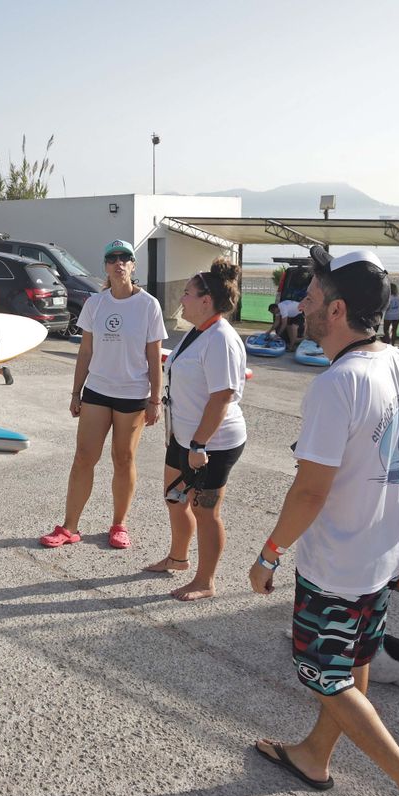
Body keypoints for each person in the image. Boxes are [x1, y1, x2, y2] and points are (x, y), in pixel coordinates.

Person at [247, 246, 399, 796]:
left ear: (337, 310)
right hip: (383, 554)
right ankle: (314, 754)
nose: (302, 306)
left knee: (323, 674)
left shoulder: (336, 384)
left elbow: (311, 490)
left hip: (336, 562)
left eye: (311, 298)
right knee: (355, 658)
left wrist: (267, 555)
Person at [40, 239, 166, 549]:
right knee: (84, 458)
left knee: (123, 459)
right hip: (97, 390)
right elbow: (85, 352)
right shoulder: (96, 304)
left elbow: (154, 356)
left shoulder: (148, 305)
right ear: (106, 266)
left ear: (133, 266)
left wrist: (155, 399)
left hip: (133, 395)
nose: (119, 263)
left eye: (125, 258)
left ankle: (119, 525)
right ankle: (69, 527)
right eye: (112, 258)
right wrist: (75, 392)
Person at [145, 258, 247, 602]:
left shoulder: (221, 338)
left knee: (205, 511)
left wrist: (200, 444)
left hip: (212, 443)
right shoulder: (197, 331)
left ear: (206, 300)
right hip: (184, 437)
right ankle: (177, 558)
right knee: (175, 498)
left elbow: (221, 397)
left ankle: (206, 581)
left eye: (187, 293)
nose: (181, 299)